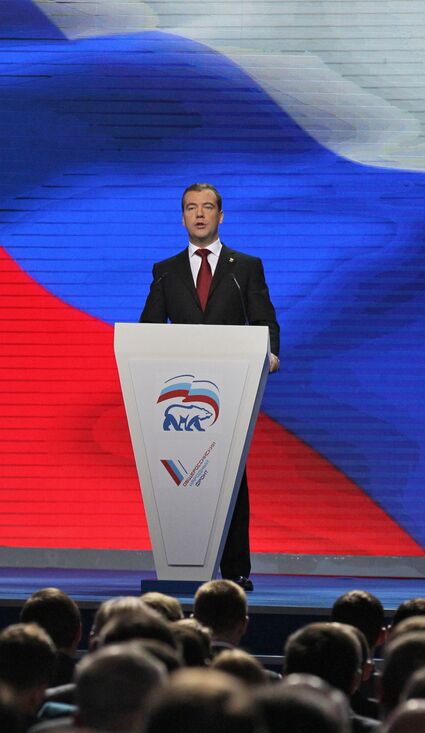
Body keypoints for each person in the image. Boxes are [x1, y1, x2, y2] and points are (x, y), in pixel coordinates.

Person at [140, 183, 280, 590]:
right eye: (190, 208)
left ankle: (237, 570)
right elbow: (149, 329)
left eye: (207, 207)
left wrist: (270, 352)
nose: (199, 214)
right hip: (179, 391)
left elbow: (264, 320)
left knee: (231, 476)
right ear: (182, 216)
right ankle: (182, 563)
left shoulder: (245, 267)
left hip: (230, 388)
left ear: (221, 215)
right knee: (181, 475)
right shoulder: (165, 270)